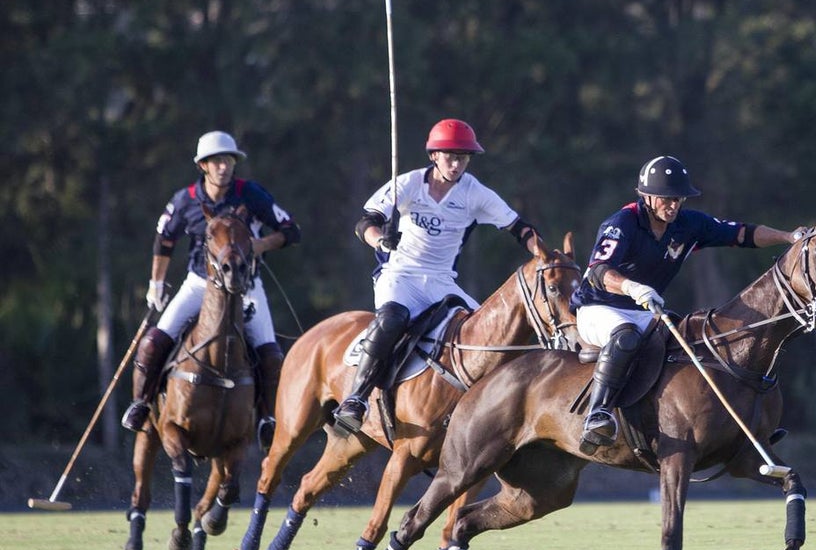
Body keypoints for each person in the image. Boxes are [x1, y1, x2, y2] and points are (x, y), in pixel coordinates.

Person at [571, 154, 805, 449]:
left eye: (678, 199)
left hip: (644, 311)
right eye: (665, 199)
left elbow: (741, 233)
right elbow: (597, 271)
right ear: (646, 197)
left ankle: (739, 426)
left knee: (691, 340)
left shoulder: (688, 225)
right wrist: (632, 288)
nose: (673, 205)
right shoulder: (622, 224)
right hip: (598, 307)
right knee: (626, 336)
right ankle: (597, 414)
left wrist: (789, 237)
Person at [331, 118, 544, 433]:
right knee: (392, 320)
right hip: (400, 275)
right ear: (434, 155)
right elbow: (366, 222)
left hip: (443, 283)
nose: (457, 164)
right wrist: (380, 240)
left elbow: (519, 227)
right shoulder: (409, 183)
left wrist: (544, 254)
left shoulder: (475, 193)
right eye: (450, 156)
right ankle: (357, 399)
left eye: (463, 157)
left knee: (490, 333)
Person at [120, 130, 301, 450]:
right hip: (199, 284)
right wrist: (156, 284)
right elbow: (164, 241)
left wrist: (260, 245)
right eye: (216, 161)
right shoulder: (185, 200)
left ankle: (267, 419)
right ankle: (142, 405)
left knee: (271, 354)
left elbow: (290, 230)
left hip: (246, 286)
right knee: (152, 342)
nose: (223, 167)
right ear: (203, 165)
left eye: (228, 160)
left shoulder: (251, 194)